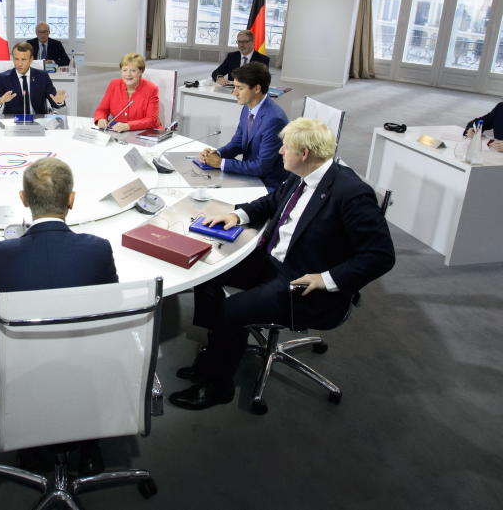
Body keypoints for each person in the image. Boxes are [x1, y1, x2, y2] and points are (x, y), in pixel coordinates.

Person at [169, 118, 395, 411]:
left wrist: (326, 279)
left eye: (285, 147)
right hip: (272, 260)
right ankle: (216, 353)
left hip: (302, 280)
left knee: (231, 312)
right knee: (208, 269)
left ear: (304, 153)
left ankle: (217, 386)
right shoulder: (302, 174)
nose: (279, 152)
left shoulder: (351, 193)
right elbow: (272, 201)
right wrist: (238, 215)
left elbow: (380, 255)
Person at [0, 157, 118, 475]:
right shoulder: (98, 249)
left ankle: (29, 448)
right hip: (87, 372)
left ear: (23, 200)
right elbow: (111, 306)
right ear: (71, 200)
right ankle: (91, 448)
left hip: (22, 376)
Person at [198, 61, 289, 191]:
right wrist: (216, 154)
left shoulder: (274, 120)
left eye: (240, 88)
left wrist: (220, 163)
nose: (234, 93)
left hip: (266, 184)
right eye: (234, 87)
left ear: (257, 89)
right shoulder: (248, 108)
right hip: (250, 176)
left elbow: (262, 166)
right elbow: (238, 143)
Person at [0, 42, 68, 115]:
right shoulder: (4, 77)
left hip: (38, 121)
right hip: (13, 121)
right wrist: (1, 100)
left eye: (23, 59)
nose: (19, 64)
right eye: (16, 59)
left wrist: (59, 101)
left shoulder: (42, 76)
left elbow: (54, 101)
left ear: (31, 59)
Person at [93, 53, 161, 132]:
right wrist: (101, 119)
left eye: (133, 71)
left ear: (141, 71)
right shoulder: (114, 84)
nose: (128, 74)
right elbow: (102, 109)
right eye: (124, 70)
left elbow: (152, 120)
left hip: (144, 132)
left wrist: (128, 126)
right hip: (118, 131)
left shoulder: (152, 89)